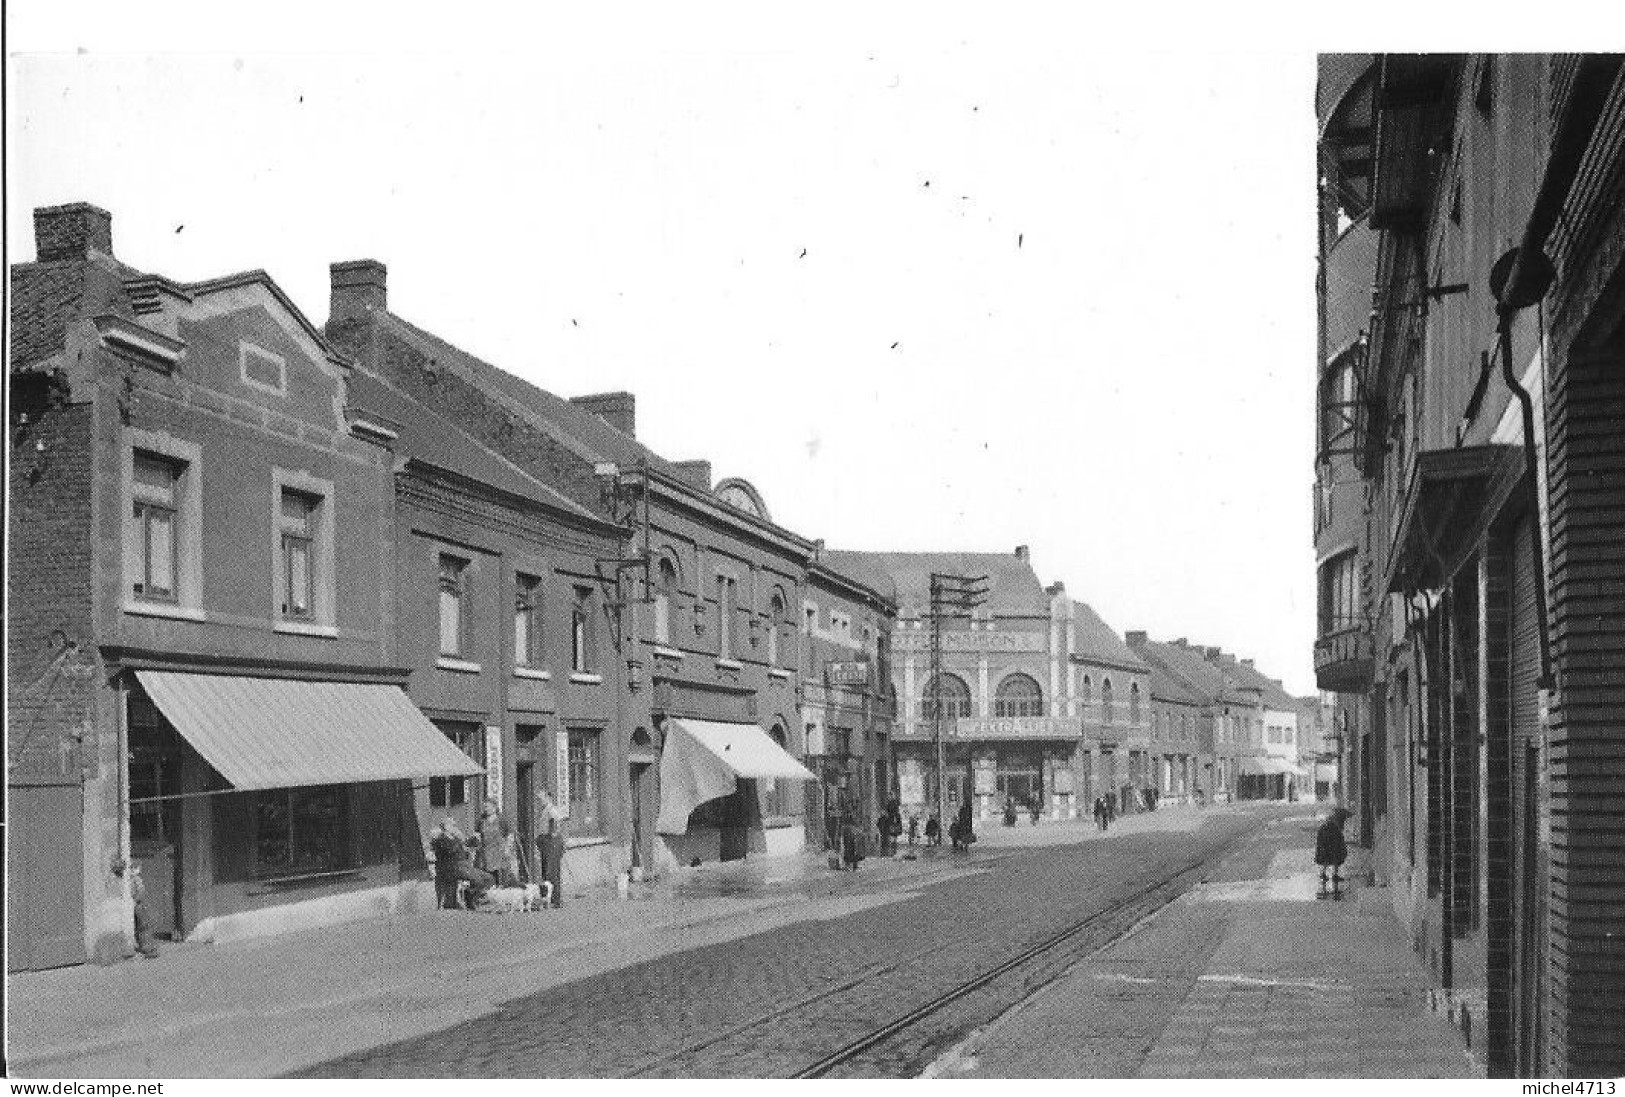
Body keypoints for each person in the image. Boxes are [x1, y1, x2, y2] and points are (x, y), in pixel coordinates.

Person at [1315, 807, 1351, 896]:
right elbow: (1339, 840)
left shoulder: (1326, 825)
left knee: (1326, 858)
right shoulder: (1337, 825)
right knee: (1335, 856)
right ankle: (1334, 875)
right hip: (1332, 840)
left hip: (1324, 840)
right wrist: (1343, 849)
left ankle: (1323, 874)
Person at [536, 816, 567, 907]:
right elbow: (538, 843)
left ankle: (554, 900)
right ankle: (551, 899)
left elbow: (538, 843)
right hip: (549, 860)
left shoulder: (553, 838)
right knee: (550, 878)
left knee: (552, 879)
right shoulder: (548, 838)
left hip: (552, 860)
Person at [474, 798, 503, 876]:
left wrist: (507, 849)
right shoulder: (481, 821)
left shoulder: (501, 820)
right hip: (485, 852)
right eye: (484, 807)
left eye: (487, 807)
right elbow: (477, 835)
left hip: (498, 851)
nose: (485, 809)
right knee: (485, 874)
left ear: (494, 807)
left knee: (498, 873)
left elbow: (509, 835)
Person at [496, 817, 525, 887]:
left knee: (512, 881)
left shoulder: (511, 837)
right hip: (504, 863)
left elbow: (507, 852)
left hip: (510, 863)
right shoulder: (501, 837)